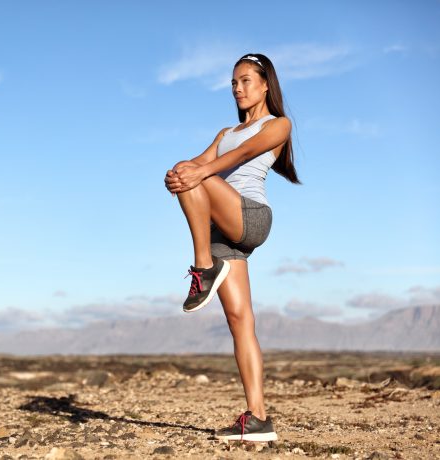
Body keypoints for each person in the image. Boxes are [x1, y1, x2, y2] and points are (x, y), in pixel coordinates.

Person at [164, 53, 300, 442]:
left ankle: (203, 266)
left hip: (251, 217)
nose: (238, 89)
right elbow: (200, 163)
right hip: (224, 230)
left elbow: (242, 155)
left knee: (196, 177)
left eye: (245, 81)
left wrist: (196, 172)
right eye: (233, 83)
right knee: (241, 322)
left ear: (264, 85)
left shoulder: (278, 125)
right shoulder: (225, 132)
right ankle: (258, 419)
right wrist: (176, 175)